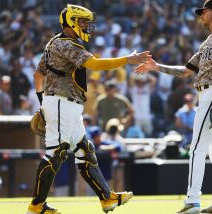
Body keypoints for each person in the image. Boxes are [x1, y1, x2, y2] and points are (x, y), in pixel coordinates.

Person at [27, 4, 150, 214]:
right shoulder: (66, 43)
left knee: (85, 151)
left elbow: (39, 75)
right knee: (56, 153)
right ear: (72, 22)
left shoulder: (55, 42)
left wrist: (42, 102)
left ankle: (107, 198)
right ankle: (37, 205)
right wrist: (128, 59)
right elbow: (94, 64)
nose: (86, 25)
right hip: (61, 102)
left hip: (66, 104)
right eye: (82, 21)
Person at [136, 1, 212, 213]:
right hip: (210, 94)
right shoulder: (208, 41)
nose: (201, 15)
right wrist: (157, 67)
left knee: (196, 148)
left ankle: (192, 200)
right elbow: (186, 70)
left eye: (203, 11)